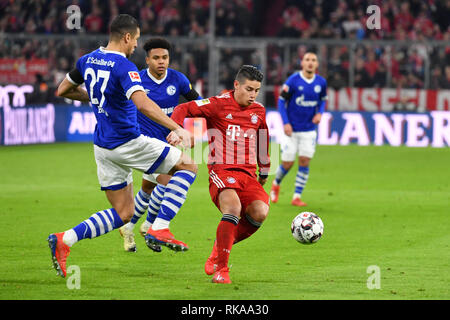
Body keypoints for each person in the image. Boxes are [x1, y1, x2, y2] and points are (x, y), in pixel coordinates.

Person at [47, 14, 197, 278]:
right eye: (136, 40)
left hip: (103, 146)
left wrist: (96, 99)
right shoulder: (123, 66)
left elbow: (63, 90)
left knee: (124, 213)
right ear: (127, 37)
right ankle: (160, 226)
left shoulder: (87, 59)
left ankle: (65, 239)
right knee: (188, 165)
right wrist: (178, 127)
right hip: (127, 140)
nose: (136, 45)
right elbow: (142, 104)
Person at [171, 65, 271, 284]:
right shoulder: (217, 104)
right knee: (233, 209)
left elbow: (263, 137)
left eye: (256, 90)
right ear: (236, 85)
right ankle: (222, 269)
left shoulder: (259, 111)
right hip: (222, 170)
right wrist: (177, 128)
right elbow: (184, 108)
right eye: (249, 89)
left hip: (248, 174)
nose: (253, 95)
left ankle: (219, 247)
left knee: (260, 212)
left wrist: (264, 169)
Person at [118, 37, 202, 252]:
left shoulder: (178, 79)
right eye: (156, 58)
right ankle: (153, 227)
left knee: (147, 190)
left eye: (164, 57)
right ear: (147, 60)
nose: (161, 61)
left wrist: (189, 132)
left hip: (170, 147)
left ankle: (129, 227)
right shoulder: (136, 81)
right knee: (168, 181)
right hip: (145, 147)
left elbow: (199, 105)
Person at [270, 52, 327, 206]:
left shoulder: (321, 83)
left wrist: (320, 114)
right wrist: (286, 123)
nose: (310, 62)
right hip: (292, 130)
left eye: (313, 60)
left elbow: (323, 101)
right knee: (287, 163)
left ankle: (296, 196)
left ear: (317, 64)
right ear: (302, 63)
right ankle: (276, 183)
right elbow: (281, 102)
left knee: (304, 161)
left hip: (309, 130)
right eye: (307, 60)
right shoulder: (293, 81)